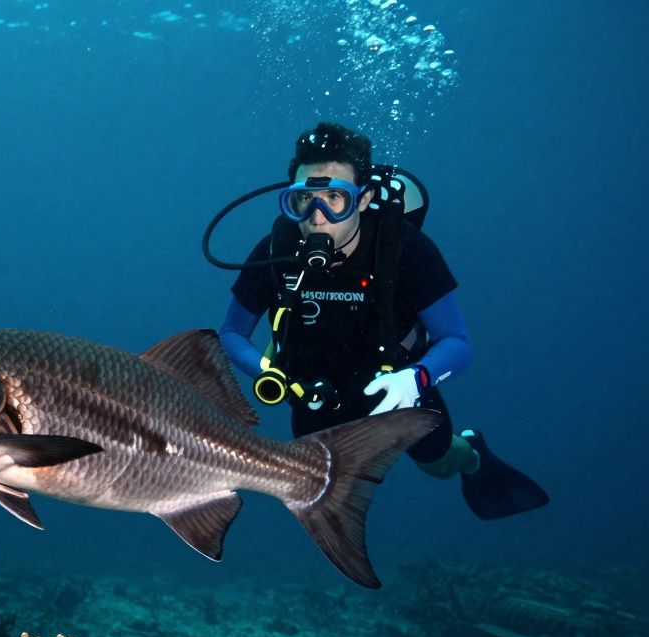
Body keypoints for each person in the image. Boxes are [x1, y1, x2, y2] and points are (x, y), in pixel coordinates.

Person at [218, 121, 547, 519]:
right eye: (304, 201)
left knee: (438, 465)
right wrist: (264, 369)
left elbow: (457, 341)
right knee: (321, 489)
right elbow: (233, 331)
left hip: (399, 385)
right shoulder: (277, 249)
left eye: (334, 199)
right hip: (312, 392)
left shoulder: (404, 249)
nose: (317, 217)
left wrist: (418, 378)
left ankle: (472, 453)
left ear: (363, 198)